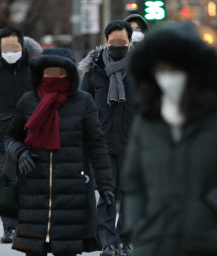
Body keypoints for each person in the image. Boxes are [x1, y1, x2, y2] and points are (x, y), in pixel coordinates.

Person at [122, 24, 217, 256]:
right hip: (155, 244)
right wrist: (137, 226)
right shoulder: (148, 116)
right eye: (160, 68)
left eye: (175, 67)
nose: (168, 76)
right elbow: (133, 181)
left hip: (214, 242)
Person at [4, 48, 114, 256]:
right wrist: (21, 153)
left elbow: (97, 146)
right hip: (34, 191)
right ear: (40, 73)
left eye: (60, 72)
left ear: (70, 74)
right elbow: (10, 137)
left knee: (67, 249)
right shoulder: (28, 101)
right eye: (49, 72)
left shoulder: (83, 102)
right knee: (34, 249)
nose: (54, 78)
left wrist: (106, 184)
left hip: (71, 193)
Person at [0, 26, 42, 243]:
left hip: (32, 129)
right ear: (0, 47)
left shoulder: (36, 66)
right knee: (7, 180)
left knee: (32, 179)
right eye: (6, 47)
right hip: (1, 132)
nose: (10, 51)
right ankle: (10, 228)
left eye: (14, 46)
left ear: (23, 45)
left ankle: (30, 224)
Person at [79, 20, 136, 256]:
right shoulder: (94, 71)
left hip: (132, 144)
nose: (118, 46)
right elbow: (81, 106)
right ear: (106, 42)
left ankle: (126, 240)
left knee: (131, 195)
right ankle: (108, 242)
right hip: (101, 143)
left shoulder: (141, 72)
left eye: (122, 42)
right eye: (113, 42)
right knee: (107, 193)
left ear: (131, 42)